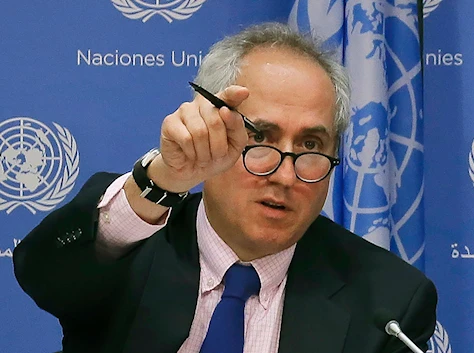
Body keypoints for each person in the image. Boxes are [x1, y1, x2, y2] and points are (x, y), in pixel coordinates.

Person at [13, 22, 437, 353]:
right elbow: (42, 273)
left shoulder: (388, 302)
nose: (285, 176)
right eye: (261, 137)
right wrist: (163, 181)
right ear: (211, 127)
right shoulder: (133, 247)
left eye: (311, 145)